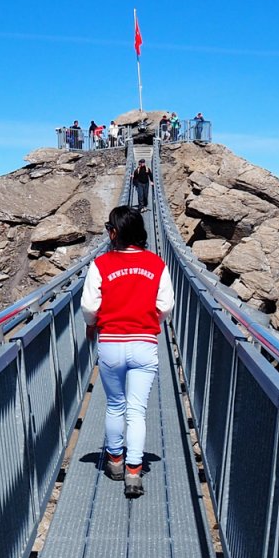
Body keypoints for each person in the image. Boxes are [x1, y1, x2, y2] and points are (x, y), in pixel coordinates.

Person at [81, 205, 174, 499]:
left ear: (113, 232)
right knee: (136, 410)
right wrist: (150, 321)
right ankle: (134, 472)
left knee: (115, 406)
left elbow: (89, 307)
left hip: (110, 343)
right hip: (144, 343)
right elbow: (167, 305)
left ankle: (115, 460)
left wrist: (92, 324)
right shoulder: (156, 263)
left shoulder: (101, 264)